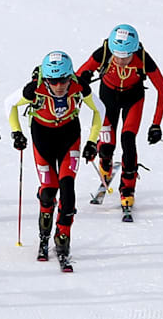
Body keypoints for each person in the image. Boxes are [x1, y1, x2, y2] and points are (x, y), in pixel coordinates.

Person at [8, 51, 102, 272]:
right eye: (53, 81)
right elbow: (10, 105)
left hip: (70, 137)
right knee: (49, 191)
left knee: (68, 193)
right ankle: (44, 235)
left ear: (71, 76)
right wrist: (17, 133)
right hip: (43, 138)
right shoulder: (35, 90)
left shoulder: (80, 87)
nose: (59, 86)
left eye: (64, 80)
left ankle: (62, 240)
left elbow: (100, 110)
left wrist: (92, 141)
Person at [75, 24, 163, 222]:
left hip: (133, 99)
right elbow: (79, 75)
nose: (120, 60)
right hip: (107, 98)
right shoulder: (104, 53)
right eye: (117, 55)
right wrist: (84, 77)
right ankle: (105, 160)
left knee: (128, 140)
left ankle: (128, 189)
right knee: (107, 145)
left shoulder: (143, 58)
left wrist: (156, 124)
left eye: (126, 56)